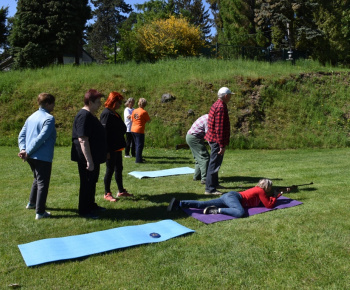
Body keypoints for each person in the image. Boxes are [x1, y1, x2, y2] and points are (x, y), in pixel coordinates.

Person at [18, 93, 56, 220]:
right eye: (52, 103)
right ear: (47, 104)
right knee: (42, 183)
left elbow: (21, 136)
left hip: (30, 157)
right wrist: (27, 151)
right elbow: (41, 138)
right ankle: (40, 212)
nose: (54, 106)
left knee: (37, 179)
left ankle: (32, 203)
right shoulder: (49, 118)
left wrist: (23, 149)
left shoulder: (31, 117)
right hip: (42, 156)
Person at [168, 179, 291, 217]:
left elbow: (265, 201)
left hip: (230, 196)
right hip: (234, 198)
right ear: (267, 187)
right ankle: (215, 210)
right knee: (240, 213)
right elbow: (269, 205)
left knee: (203, 204)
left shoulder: (257, 189)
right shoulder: (260, 191)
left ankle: (179, 203)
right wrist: (276, 196)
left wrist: (277, 194)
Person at [71, 89, 107, 219]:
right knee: (86, 183)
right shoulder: (83, 116)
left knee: (92, 182)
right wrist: (89, 161)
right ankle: (84, 210)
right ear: (90, 102)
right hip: (86, 158)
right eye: (98, 102)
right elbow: (83, 139)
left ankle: (91, 205)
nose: (99, 105)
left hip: (93, 156)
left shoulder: (90, 115)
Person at [100, 92, 133, 202]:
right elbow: (103, 133)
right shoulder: (106, 113)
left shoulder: (114, 113)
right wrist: (106, 150)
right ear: (113, 101)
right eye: (119, 102)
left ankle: (121, 191)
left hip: (117, 147)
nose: (120, 104)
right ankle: (107, 193)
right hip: (111, 148)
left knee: (119, 168)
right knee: (110, 170)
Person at [205, 87, 233, 195]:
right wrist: (221, 145)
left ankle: (214, 184)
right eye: (230, 95)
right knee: (214, 164)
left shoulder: (218, 104)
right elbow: (219, 128)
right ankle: (210, 189)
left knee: (215, 163)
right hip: (217, 140)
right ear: (226, 96)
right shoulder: (221, 107)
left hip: (214, 139)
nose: (230, 97)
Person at [186, 114, 210, 184]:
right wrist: (211, 145)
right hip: (194, 138)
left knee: (198, 158)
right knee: (205, 157)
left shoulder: (207, 116)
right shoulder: (208, 120)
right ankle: (205, 179)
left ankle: (197, 176)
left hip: (190, 136)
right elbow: (208, 134)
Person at [131, 98, 151, 163]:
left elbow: (132, 119)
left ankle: (139, 158)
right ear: (145, 104)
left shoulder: (134, 111)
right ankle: (138, 160)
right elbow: (148, 120)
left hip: (133, 129)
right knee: (139, 145)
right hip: (139, 130)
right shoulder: (144, 112)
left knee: (136, 145)